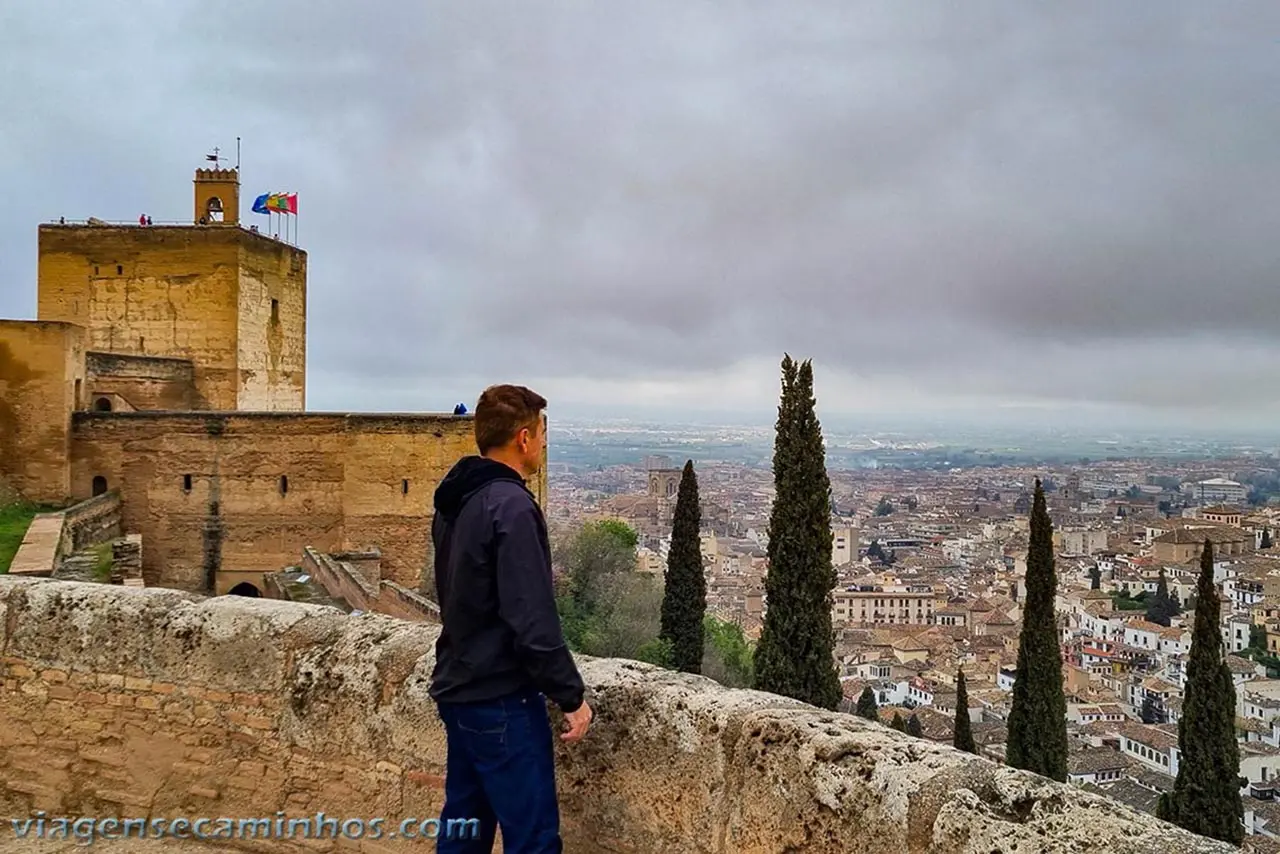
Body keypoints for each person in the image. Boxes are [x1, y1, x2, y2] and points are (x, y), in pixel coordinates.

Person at [430, 385, 591, 853]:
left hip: (460, 686)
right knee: (533, 839)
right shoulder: (512, 507)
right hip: (500, 697)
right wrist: (571, 696)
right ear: (523, 438)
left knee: (464, 830)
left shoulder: (457, 498)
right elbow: (531, 618)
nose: (543, 442)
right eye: (541, 432)